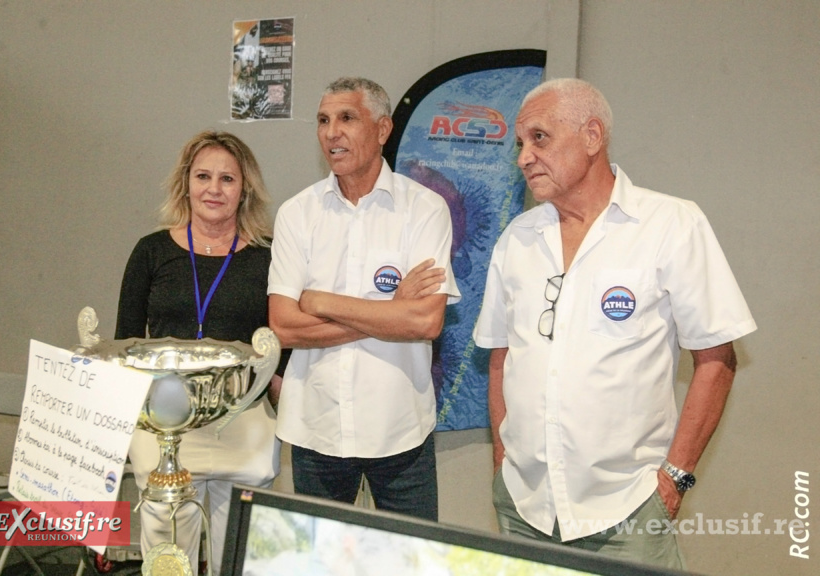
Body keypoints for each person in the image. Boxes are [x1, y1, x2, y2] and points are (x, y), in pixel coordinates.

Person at [473, 78, 756, 569]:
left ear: (592, 136)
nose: (523, 157)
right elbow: (501, 357)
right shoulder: (516, 239)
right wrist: (502, 462)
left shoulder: (672, 225)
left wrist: (676, 477)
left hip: (629, 509)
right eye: (520, 144)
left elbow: (716, 358)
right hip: (525, 506)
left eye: (539, 138)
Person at [267, 77, 460, 521]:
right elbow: (284, 326)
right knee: (316, 562)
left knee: (410, 562)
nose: (331, 132)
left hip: (400, 431)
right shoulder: (298, 213)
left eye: (347, 118)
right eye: (323, 120)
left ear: (383, 129)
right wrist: (391, 310)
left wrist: (321, 301)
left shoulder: (425, 209)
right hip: (317, 429)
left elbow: (425, 323)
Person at [115, 130, 283, 575]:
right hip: (165, 427)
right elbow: (125, 340)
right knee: (168, 558)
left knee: (241, 556)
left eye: (227, 178)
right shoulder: (150, 252)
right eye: (203, 176)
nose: (214, 188)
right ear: (185, 182)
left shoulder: (269, 257)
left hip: (241, 420)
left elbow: (280, 343)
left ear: (244, 188)